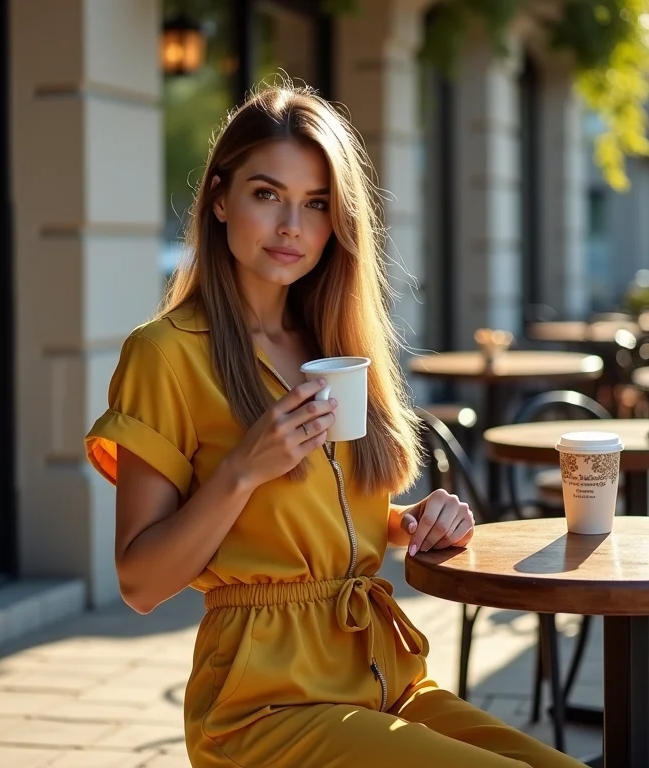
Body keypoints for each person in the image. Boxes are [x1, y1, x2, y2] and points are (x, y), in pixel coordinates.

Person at [85, 84, 583, 768]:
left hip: (382, 677)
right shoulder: (166, 353)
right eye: (267, 194)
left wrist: (412, 523)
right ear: (221, 199)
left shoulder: (331, 344)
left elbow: (321, 514)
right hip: (264, 704)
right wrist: (241, 470)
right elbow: (140, 584)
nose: (292, 225)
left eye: (317, 204)